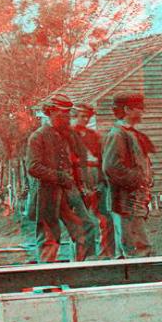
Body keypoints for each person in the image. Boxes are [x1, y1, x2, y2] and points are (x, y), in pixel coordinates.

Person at [25, 94, 100, 263]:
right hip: (46, 194)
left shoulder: (70, 135)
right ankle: (47, 275)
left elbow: (77, 162)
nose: (67, 117)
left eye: (68, 113)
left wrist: (82, 187)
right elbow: (33, 167)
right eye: (63, 113)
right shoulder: (38, 137)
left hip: (70, 193)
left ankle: (80, 269)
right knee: (49, 238)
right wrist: (59, 176)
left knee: (86, 228)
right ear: (51, 112)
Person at [102, 93, 155, 258]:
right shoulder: (118, 134)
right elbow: (111, 167)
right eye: (138, 108)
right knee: (138, 249)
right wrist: (138, 179)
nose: (142, 112)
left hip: (133, 201)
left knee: (129, 250)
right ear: (127, 110)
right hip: (126, 201)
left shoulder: (130, 133)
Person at [71, 102, 116, 258]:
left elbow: (102, 159)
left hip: (96, 181)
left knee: (106, 219)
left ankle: (106, 255)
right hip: (78, 182)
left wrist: (102, 182)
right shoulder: (68, 136)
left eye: (87, 117)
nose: (85, 119)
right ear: (74, 116)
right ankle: (81, 258)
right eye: (82, 116)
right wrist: (78, 185)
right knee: (82, 222)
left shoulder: (94, 136)